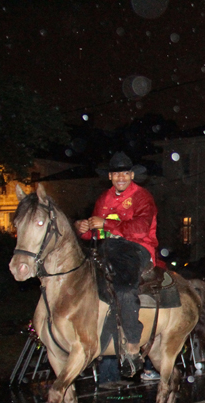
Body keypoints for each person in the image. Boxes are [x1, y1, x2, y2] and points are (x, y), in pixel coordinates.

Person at [75, 151, 160, 379]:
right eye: (116, 173)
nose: (120, 177)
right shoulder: (104, 198)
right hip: (108, 249)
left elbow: (140, 228)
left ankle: (133, 343)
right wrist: (84, 228)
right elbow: (97, 230)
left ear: (132, 175)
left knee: (123, 286)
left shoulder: (143, 197)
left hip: (138, 249)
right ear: (110, 176)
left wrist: (108, 224)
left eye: (125, 173)